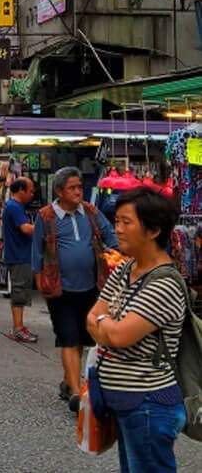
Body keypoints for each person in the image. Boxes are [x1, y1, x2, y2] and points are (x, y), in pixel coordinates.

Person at [86, 188, 187, 473]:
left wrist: (105, 324)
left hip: (149, 404)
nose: (117, 229)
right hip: (126, 401)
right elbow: (92, 317)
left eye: (126, 222)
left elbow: (119, 335)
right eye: (116, 221)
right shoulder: (126, 268)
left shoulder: (164, 283)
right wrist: (108, 324)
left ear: (153, 230)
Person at [32, 166, 117, 412]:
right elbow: (37, 251)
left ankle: (69, 383)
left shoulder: (90, 212)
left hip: (90, 287)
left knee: (82, 338)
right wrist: (40, 283)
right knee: (68, 339)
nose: (78, 191)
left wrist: (115, 253)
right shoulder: (46, 216)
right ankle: (78, 393)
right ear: (59, 191)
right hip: (60, 288)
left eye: (79, 187)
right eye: (72, 188)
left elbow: (110, 236)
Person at [3, 177, 38, 343]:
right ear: (21, 191)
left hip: (20, 254)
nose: (32, 194)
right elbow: (25, 228)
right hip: (18, 255)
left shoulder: (15, 206)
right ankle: (18, 328)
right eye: (30, 191)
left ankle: (19, 326)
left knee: (21, 290)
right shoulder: (15, 207)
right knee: (19, 291)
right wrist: (45, 228)